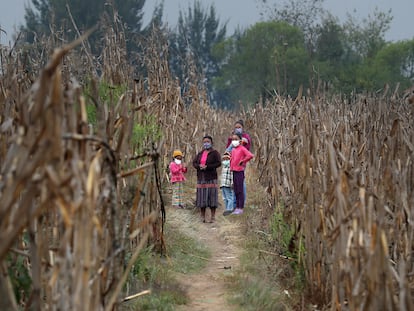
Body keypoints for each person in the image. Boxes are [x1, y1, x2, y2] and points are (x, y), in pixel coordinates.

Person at [192, 135, 221, 223]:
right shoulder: (200, 153)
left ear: (211, 143)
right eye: (204, 142)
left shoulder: (215, 153)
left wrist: (207, 167)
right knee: (201, 197)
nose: (206, 143)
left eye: (208, 142)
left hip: (211, 177)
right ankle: (202, 216)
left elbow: (218, 163)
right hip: (201, 178)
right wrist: (199, 166)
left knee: (212, 197)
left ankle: (213, 217)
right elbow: (194, 163)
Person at [229, 133, 254, 215]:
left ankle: (241, 207)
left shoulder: (242, 148)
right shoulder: (233, 150)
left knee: (240, 190)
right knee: (235, 189)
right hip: (234, 171)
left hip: (240, 171)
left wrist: (243, 161)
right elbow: (231, 160)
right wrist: (231, 168)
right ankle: (237, 207)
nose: (234, 141)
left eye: (236, 139)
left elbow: (250, 155)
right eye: (233, 139)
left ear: (240, 140)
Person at [220, 151, 234, 216]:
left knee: (229, 197)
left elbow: (232, 175)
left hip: (228, 184)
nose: (225, 160)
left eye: (227, 159)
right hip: (223, 184)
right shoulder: (224, 167)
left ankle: (229, 209)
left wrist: (232, 183)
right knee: (224, 198)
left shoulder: (231, 167)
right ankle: (226, 209)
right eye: (224, 159)